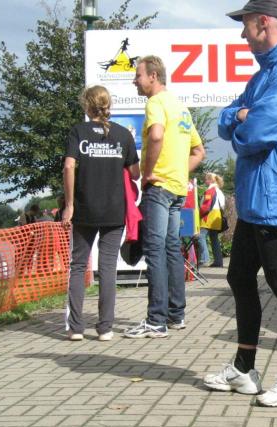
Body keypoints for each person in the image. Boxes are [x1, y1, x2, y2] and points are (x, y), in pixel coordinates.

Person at [204, 0, 277, 407]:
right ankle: (244, 369)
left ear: (264, 23)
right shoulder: (264, 75)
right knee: (239, 278)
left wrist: (241, 120)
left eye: (246, 25)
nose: (242, 33)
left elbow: (256, 134)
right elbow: (227, 118)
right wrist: (240, 116)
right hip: (256, 199)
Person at [125, 55, 205, 338]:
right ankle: (176, 315)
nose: (134, 81)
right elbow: (199, 152)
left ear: (153, 76)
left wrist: (148, 173)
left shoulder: (155, 103)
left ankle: (155, 321)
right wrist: (177, 171)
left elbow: (156, 136)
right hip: (177, 188)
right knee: (172, 249)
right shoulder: (181, 108)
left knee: (155, 250)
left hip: (158, 188)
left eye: (138, 75)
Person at [62, 85, 140, 342]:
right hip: (114, 209)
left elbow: (69, 166)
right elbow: (135, 173)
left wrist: (69, 205)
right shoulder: (123, 134)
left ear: (87, 105)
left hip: (84, 208)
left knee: (77, 266)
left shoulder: (78, 131)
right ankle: (105, 328)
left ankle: (76, 328)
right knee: (108, 268)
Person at [198, 172, 226, 268]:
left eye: (206, 179)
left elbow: (206, 206)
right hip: (217, 215)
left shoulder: (210, 190)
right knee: (214, 239)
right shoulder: (219, 191)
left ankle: (204, 259)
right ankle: (218, 261)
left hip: (209, 216)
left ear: (210, 180)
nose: (204, 181)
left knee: (200, 236)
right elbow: (223, 206)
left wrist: (199, 214)